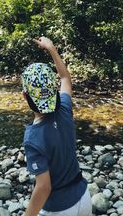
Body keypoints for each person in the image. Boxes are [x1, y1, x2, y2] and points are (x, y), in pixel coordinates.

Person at [21, 37, 92, 216]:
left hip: (59, 209)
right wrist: (51, 49)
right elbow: (65, 77)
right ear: (54, 90)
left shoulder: (33, 138)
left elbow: (44, 187)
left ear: (25, 96)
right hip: (83, 198)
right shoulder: (65, 109)